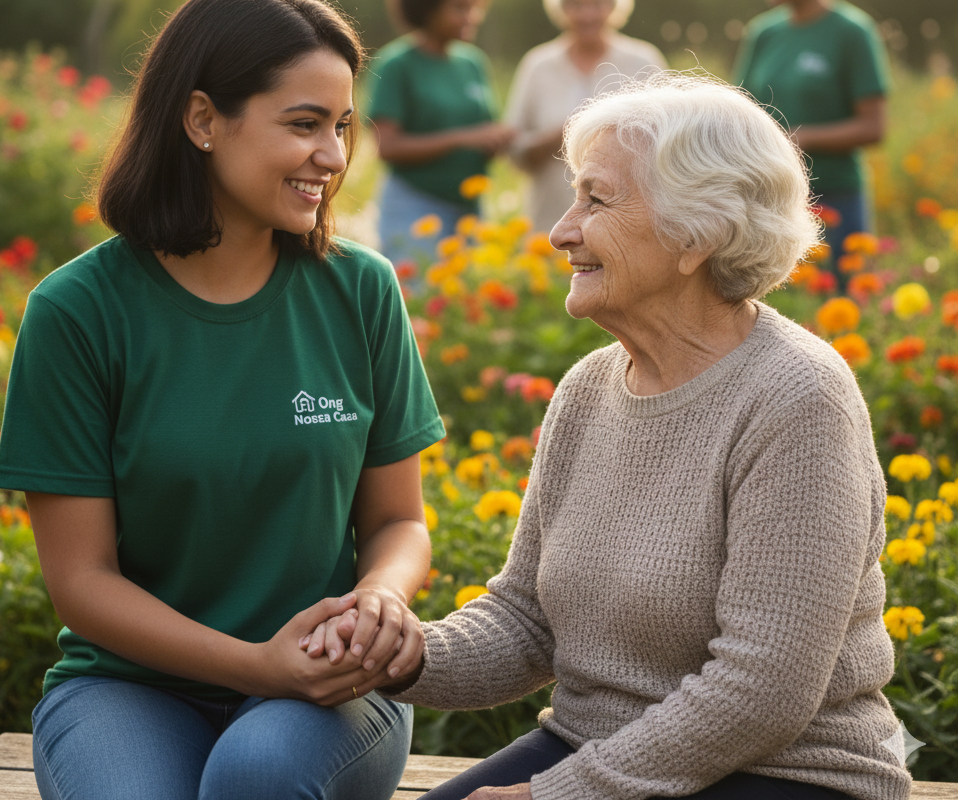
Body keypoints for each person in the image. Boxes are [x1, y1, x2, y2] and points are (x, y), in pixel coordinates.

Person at [384, 76, 910, 800]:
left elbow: (764, 689)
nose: (560, 230)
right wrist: (396, 655)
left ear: (697, 233)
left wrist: (553, 796)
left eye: (595, 200)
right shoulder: (588, 390)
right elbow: (527, 620)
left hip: (787, 772)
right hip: (598, 745)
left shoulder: (798, 398)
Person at [0, 0, 445, 800]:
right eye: (304, 125)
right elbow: (82, 581)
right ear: (202, 120)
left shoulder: (361, 292)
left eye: (342, 127)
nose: (335, 158)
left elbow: (399, 521)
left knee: (256, 777)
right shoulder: (77, 313)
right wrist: (252, 664)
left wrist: (377, 600)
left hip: (328, 686)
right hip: (127, 687)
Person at [734, 0, 889, 270]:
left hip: (834, 197)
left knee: (838, 302)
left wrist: (798, 138)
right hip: (767, 199)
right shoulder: (763, 34)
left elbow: (873, 127)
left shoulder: (851, 32)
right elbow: (742, 110)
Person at [368, 0, 514, 264]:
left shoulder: (473, 63)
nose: (471, 16)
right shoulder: (397, 65)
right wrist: (463, 138)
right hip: (415, 208)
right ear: (427, 8)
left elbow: (484, 129)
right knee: (419, 305)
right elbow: (387, 147)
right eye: (460, 7)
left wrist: (495, 140)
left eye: (476, 7)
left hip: (469, 207)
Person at [505, 0, 665, 233]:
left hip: (626, 225)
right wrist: (564, 135)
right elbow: (514, 149)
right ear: (561, 8)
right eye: (576, 4)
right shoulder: (538, 64)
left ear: (614, 6)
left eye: (597, 3)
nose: (587, 14)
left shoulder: (644, 61)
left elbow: (665, 142)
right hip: (551, 225)